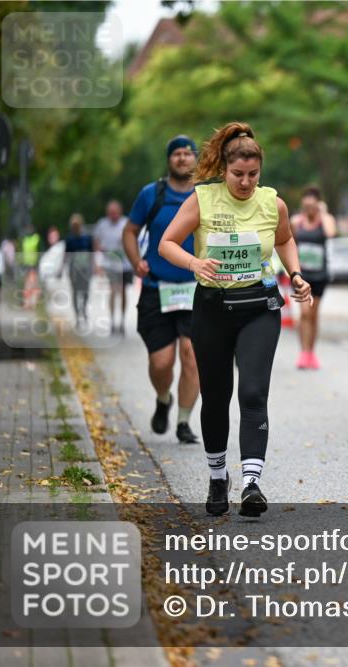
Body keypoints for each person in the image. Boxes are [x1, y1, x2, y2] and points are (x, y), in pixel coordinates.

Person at [159, 122, 312, 517]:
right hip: (212, 308)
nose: (245, 183)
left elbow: (284, 239)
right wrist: (195, 261)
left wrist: (295, 274)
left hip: (259, 307)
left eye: (253, 176)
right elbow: (167, 244)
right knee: (215, 397)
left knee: (253, 394)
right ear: (224, 169)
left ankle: (251, 483)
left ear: (260, 172)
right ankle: (216, 476)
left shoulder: (272, 203)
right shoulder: (202, 199)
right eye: (238, 175)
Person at [122, 135, 201, 444]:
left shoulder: (205, 195)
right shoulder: (151, 194)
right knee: (162, 362)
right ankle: (163, 397)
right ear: (169, 160)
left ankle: (183, 421)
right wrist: (135, 261)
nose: (182, 158)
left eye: (187, 153)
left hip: (196, 288)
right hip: (157, 287)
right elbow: (130, 232)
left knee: (191, 355)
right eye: (176, 154)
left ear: (196, 159)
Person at [291, 185, 337, 369]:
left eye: (313, 204)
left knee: (313, 315)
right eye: (306, 204)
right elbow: (289, 242)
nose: (309, 208)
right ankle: (303, 352)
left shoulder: (325, 220)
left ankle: (311, 352)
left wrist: (323, 213)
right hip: (301, 275)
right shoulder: (296, 221)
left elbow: (330, 233)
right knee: (304, 313)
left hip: (319, 275)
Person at [94, 200, 132, 335]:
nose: (113, 215)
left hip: (125, 264)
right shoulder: (102, 224)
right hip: (110, 264)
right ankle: (112, 321)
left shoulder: (126, 223)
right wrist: (98, 261)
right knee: (113, 291)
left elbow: (133, 240)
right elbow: (96, 242)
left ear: (120, 212)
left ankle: (121, 320)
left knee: (122, 291)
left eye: (115, 213)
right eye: (110, 213)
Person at [62, 213, 94, 327]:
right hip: (74, 269)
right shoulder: (69, 239)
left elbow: (92, 253)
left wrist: (94, 266)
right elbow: (66, 255)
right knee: (75, 292)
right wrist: (62, 268)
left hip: (85, 268)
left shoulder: (87, 238)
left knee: (85, 292)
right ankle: (77, 316)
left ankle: (83, 309)